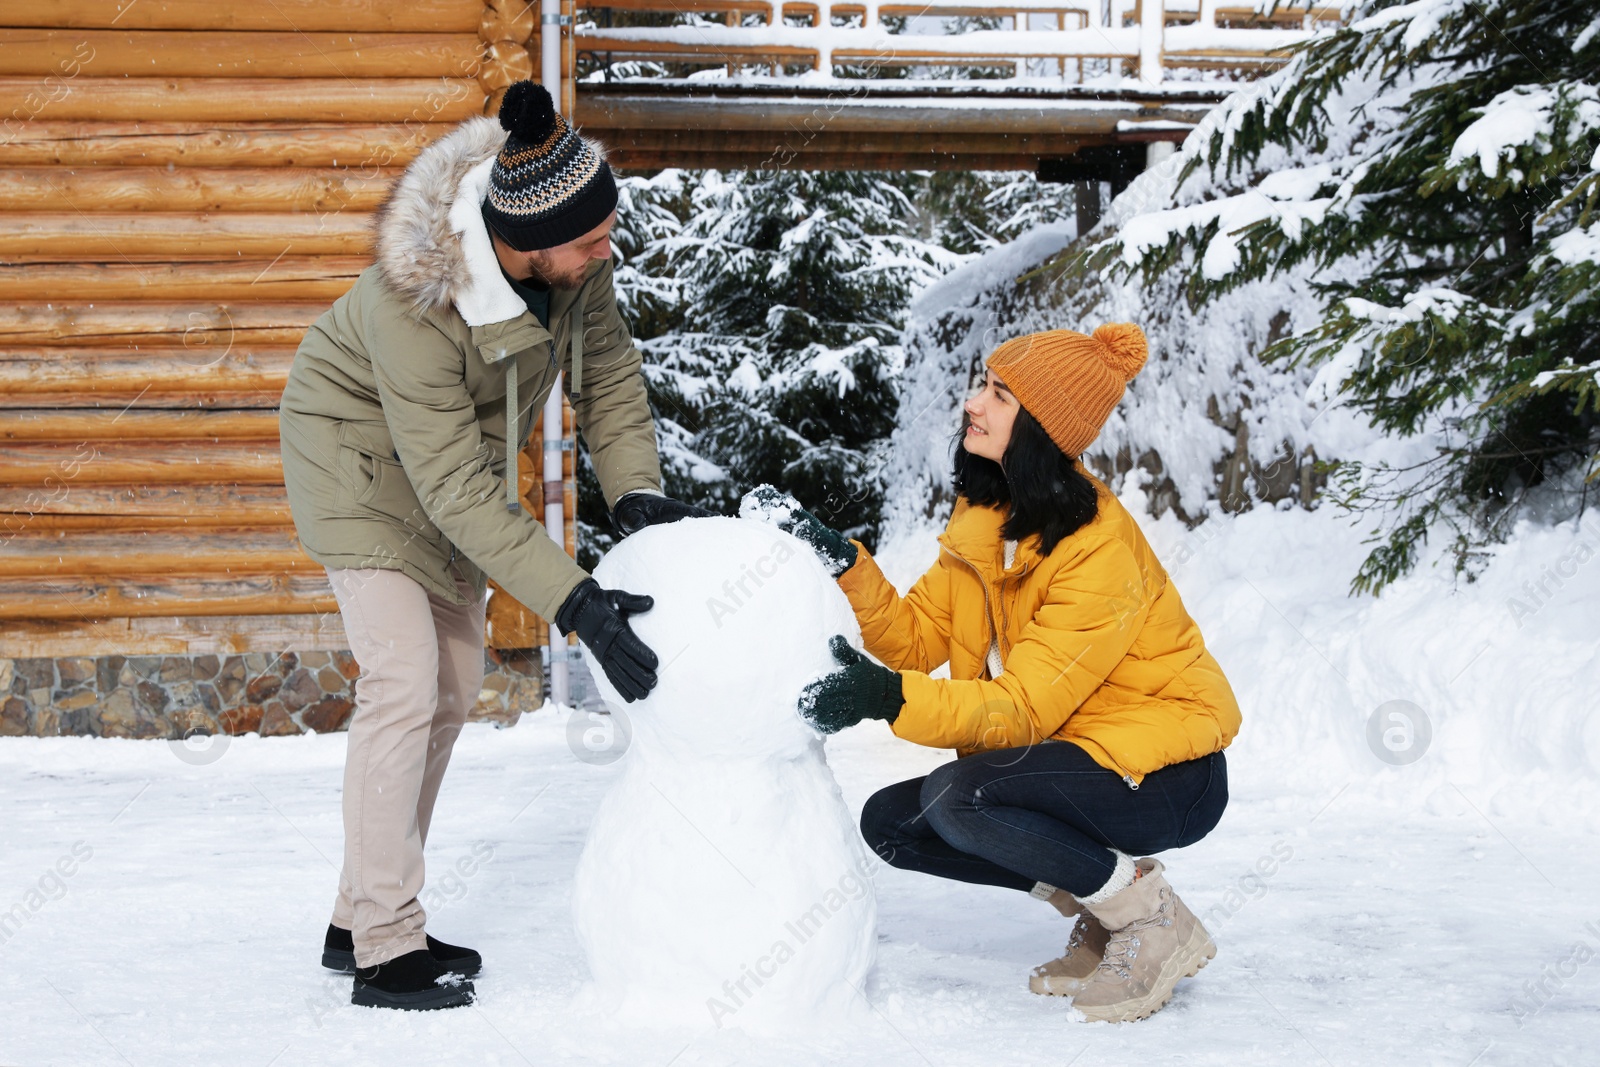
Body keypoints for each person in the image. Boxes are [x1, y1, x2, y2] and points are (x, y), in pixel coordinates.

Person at [278, 81, 706, 1011]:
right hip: (352, 459)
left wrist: (634, 490)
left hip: (446, 467)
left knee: (456, 683)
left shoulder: (573, 269)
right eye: (591, 240)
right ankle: (388, 946)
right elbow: (457, 489)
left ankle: (359, 913)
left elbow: (608, 373)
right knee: (404, 680)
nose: (608, 251)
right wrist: (577, 601)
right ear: (531, 240)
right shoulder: (416, 299)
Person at [775, 324, 1241, 1023]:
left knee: (963, 797)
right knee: (896, 823)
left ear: (1042, 427)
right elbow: (914, 638)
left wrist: (886, 699)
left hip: (1171, 774)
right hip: (1082, 760)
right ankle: (1109, 904)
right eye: (981, 384)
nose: (974, 403)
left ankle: (1147, 918)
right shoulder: (989, 516)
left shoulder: (1097, 550)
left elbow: (1023, 710)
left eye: (998, 394)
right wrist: (847, 564)